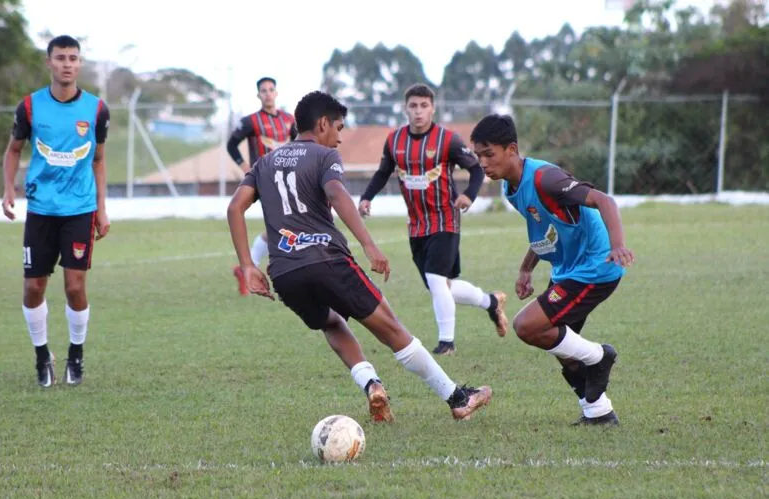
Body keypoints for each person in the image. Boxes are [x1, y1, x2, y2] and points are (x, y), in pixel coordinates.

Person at [227, 90, 492, 422]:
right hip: (328, 260)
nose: (339, 138)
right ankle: (456, 398)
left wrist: (248, 265)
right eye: (338, 128)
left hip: (285, 272)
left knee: (331, 323)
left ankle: (371, 384)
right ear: (322, 124)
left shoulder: (265, 162)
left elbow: (235, 207)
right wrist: (368, 244)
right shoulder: (325, 156)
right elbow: (336, 193)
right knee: (393, 331)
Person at [469, 114, 635, 425]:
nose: (483, 163)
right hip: (568, 269)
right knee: (561, 344)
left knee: (527, 326)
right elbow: (546, 228)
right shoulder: (511, 187)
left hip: (595, 267)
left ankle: (601, 357)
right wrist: (526, 269)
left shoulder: (545, 178)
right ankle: (599, 413)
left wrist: (618, 245)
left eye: (489, 154)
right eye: (478, 156)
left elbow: (603, 200)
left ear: (512, 149)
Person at [358, 83, 508, 356]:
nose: (418, 112)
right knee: (442, 286)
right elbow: (382, 173)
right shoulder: (394, 141)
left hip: (444, 219)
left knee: (436, 280)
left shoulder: (446, 140)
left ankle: (446, 344)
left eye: (424, 106)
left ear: (432, 108)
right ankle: (491, 302)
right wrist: (367, 197)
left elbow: (475, 169)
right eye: (413, 106)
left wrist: (469, 196)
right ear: (406, 108)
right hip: (416, 225)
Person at [2, 34, 111, 388]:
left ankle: (76, 355)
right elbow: (14, 149)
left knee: (75, 286)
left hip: (80, 208)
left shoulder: (96, 110)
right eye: (60, 57)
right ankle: (41, 355)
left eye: (73, 58)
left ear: (80, 64)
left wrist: (103, 210)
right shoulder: (30, 107)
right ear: (49, 62)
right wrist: (8, 190)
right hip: (41, 209)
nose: (67, 63)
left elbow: (98, 160)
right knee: (34, 286)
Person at [227, 76, 297, 295]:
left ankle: (247, 266)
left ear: (276, 93)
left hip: (288, 179)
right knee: (284, 223)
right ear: (258, 95)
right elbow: (231, 145)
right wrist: (245, 166)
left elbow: (299, 143)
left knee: (282, 224)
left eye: (271, 89)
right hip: (265, 179)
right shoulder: (251, 121)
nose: (267, 93)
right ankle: (281, 266)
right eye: (263, 90)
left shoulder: (289, 119)